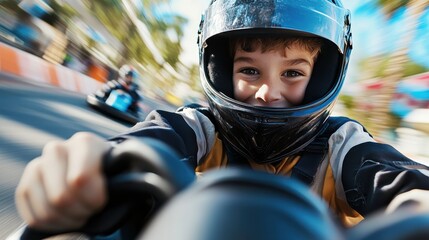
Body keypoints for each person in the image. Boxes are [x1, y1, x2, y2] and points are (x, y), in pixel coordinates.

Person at [15, 0, 429, 235]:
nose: (268, 92)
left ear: (321, 77)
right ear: (221, 71)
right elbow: (148, 143)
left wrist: (417, 202)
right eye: (250, 70)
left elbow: (397, 177)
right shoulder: (198, 126)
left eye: (293, 74)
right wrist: (84, 169)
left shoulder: (346, 146)